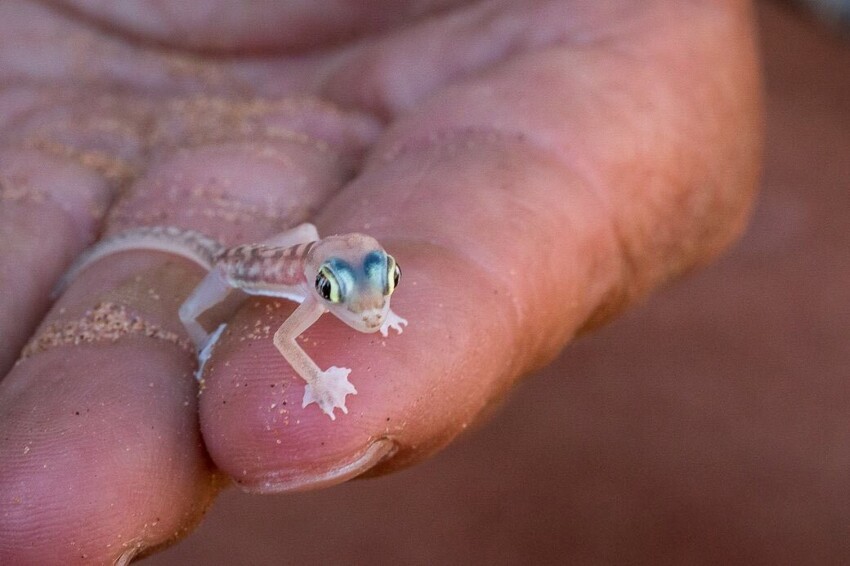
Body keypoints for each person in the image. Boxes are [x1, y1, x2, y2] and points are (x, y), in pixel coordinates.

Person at [0, 1, 761, 562]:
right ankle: (204, 347)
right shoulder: (291, 300)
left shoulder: (352, 271)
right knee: (208, 319)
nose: (369, 307)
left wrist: (367, 300)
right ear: (318, 284)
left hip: (300, 249)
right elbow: (293, 342)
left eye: (382, 282)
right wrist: (243, 355)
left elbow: (356, 275)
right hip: (239, 270)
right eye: (346, 294)